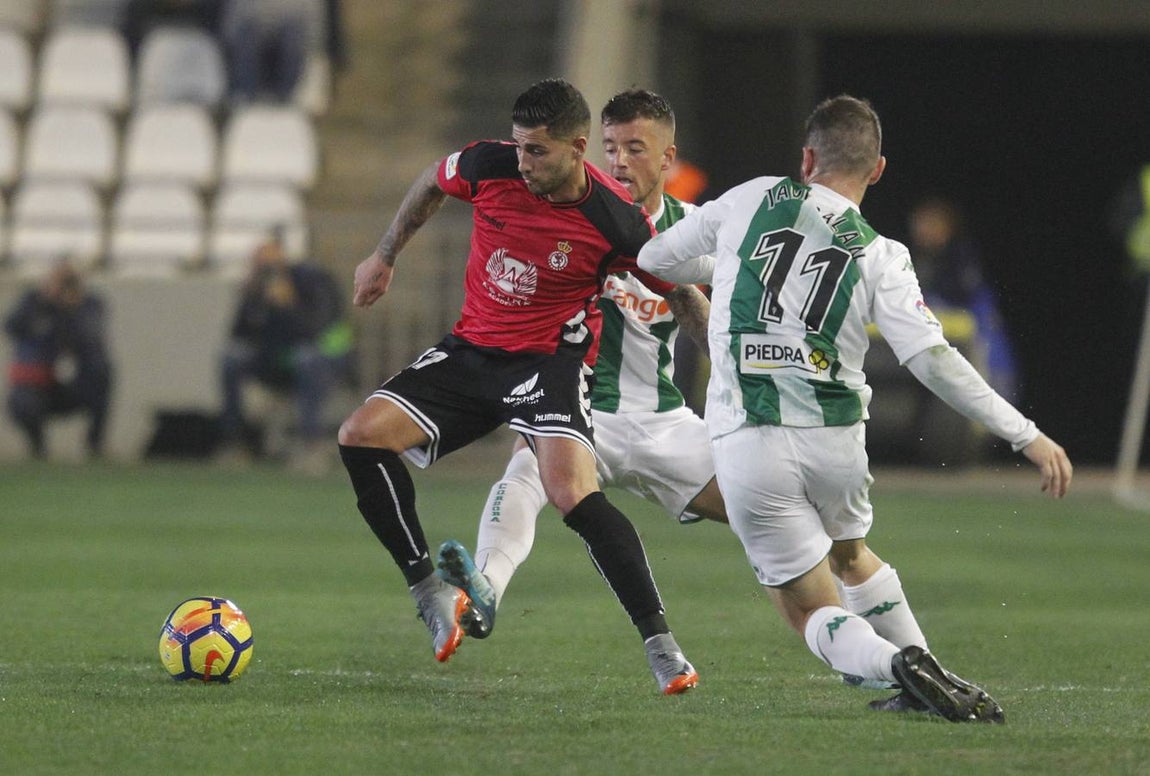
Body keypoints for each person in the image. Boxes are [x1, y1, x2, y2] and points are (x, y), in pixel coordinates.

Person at [638, 94, 1073, 722]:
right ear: (877, 170)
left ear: (807, 157)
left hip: (751, 439)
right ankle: (928, 678)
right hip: (836, 440)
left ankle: (897, 665)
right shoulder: (882, 252)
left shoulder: (749, 198)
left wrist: (734, 268)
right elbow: (933, 358)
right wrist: (1024, 433)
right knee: (852, 556)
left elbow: (654, 259)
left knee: (808, 607)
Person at [337, 78, 703, 695]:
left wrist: (728, 360)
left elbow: (684, 294)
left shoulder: (615, 220)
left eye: (538, 151)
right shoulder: (490, 165)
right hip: (472, 352)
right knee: (359, 436)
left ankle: (661, 645)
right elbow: (432, 178)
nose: (524, 163)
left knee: (571, 494)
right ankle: (429, 591)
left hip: (547, 364)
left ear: (577, 147)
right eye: (519, 147)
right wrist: (385, 255)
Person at [434, 88, 724, 645]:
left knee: (775, 517)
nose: (619, 161)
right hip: (577, 409)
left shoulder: (697, 232)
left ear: (668, 159)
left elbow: (713, 310)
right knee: (523, 469)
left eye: (636, 148)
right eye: (611, 147)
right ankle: (484, 589)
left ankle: (875, 642)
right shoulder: (570, 207)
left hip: (662, 420)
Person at [218, 229, 352, 470]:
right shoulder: (256, 289)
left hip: (320, 361)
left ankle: (311, 444)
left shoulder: (311, 281)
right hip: (274, 360)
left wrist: (287, 305)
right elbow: (238, 334)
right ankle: (235, 443)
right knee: (231, 359)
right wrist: (252, 299)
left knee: (307, 359)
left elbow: (315, 331)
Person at [907, 196, 1019, 403]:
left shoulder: (960, 259)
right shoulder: (911, 259)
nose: (922, 230)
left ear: (947, 227)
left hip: (984, 362)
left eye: (931, 223)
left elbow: (968, 307)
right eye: (919, 223)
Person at [5, 260, 113, 459]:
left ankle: (94, 445)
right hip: (38, 383)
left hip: (72, 384)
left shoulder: (88, 305)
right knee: (24, 403)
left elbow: (90, 342)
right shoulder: (35, 302)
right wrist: (45, 301)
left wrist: (71, 309)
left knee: (102, 372)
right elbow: (12, 326)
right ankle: (38, 448)